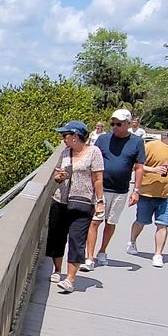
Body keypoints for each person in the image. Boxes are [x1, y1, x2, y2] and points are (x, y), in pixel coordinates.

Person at [44, 121, 104, 294]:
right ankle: (57, 270)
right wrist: (59, 177)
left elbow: (98, 179)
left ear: (75, 136)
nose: (63, 139)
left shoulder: (93, 152)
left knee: (77, 239)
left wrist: (100, 202)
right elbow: (57, 176)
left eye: (65, 136)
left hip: (82, 202)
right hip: (61, 200)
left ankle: (70, 279)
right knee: (56, 236)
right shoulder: (65, 152)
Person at [86, 109, 145, 269]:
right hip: (101, 188)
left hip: (121, 190)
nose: (115, 127)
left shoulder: (137, 142)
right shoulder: (103, 140)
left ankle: (102, 251)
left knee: (110, 222)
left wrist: (136, 191)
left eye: (118, 124)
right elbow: (91, 161)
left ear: (128, 124)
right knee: (95, 222)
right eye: (112, 124)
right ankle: (89, 258)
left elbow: (139, 167)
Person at [128, 123, 168, 267]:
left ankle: (158, 254)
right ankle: (132, 241)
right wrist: (153, 170)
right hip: (147, 193)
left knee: (163, 224)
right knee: (141, 221)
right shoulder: (151, 146)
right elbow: (135, 166)